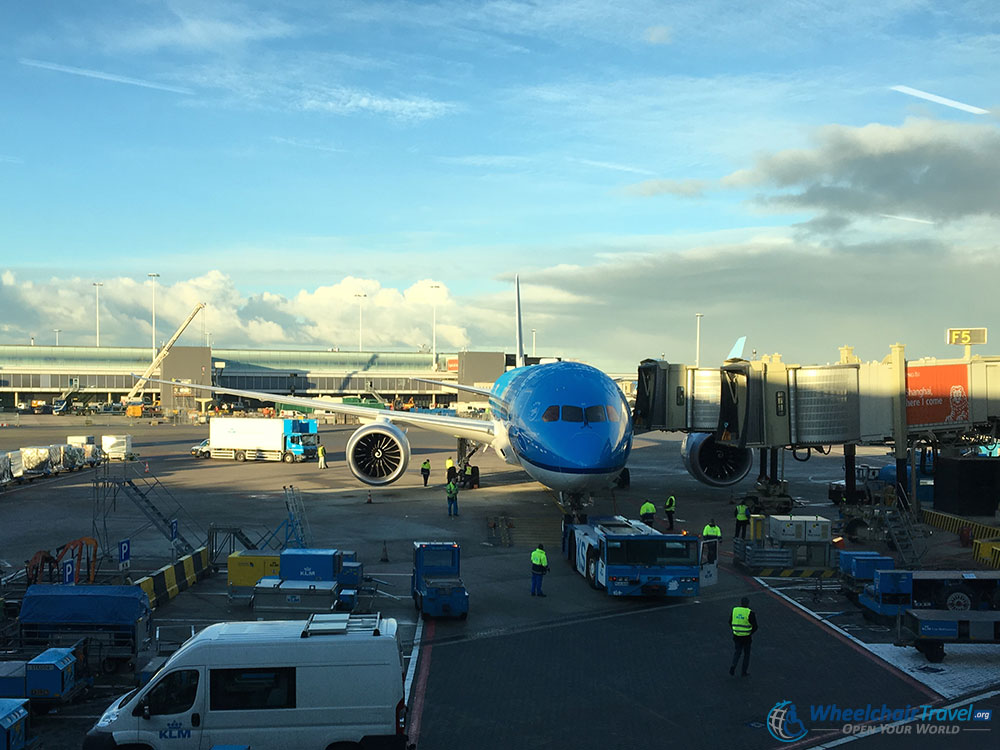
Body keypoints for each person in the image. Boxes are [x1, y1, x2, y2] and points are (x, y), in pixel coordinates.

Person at [729, 596, 758, 676]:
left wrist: (735, 630)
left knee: (737, 652)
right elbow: (755, 626)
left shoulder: (735, 610)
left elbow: (730, 621)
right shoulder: (750, 613)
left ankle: (733, 665)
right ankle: (743, 671)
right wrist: (750, 632)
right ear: (748, 604)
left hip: (736, 636)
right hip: (746, 637)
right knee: (746, 654)